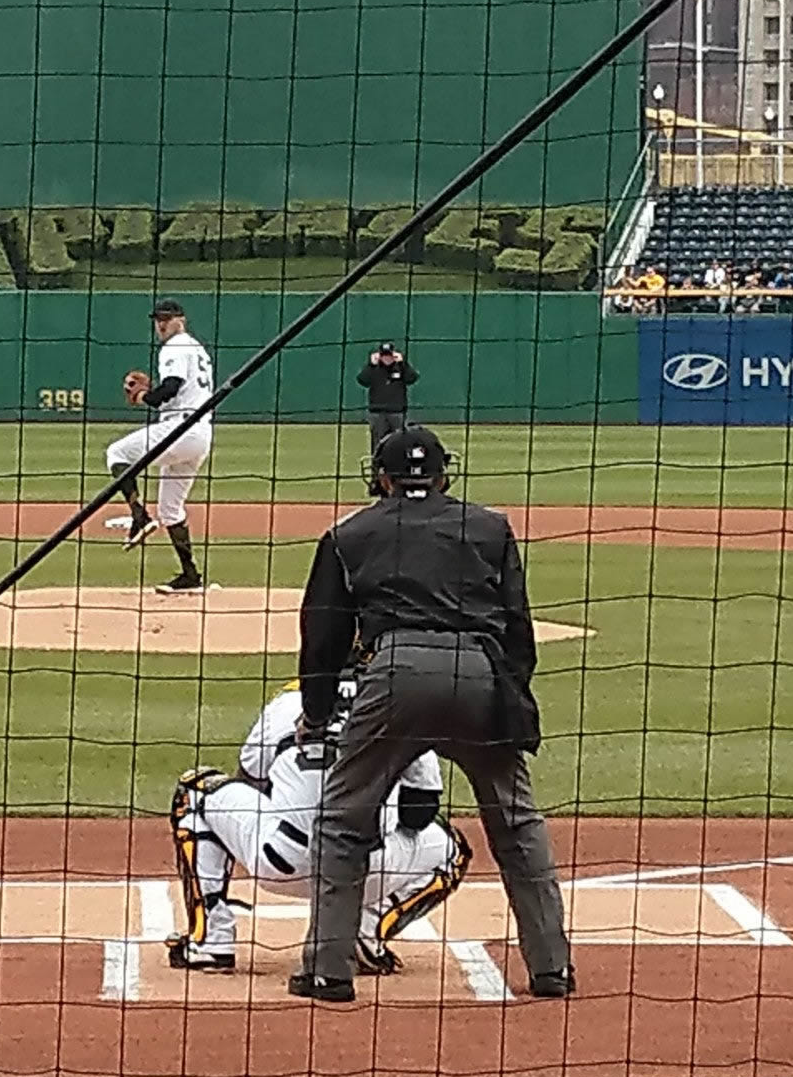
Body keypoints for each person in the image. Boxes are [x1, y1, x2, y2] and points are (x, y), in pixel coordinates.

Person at [290, 425, 573, 1004]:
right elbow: (518, 627)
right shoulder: (491, 527)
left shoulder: (349, 533)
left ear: (382, 479)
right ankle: (552, 970)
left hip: (394, 676)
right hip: (481, 674)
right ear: (445, 475)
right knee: (516, 824)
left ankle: (328, 972)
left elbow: (322, 639)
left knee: (345, 821)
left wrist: (316, 717)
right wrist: (511, 701)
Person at [166, 677, 470, 973]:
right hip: (366, 873)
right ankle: (366, 930)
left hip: (281, 864)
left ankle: (210, 941)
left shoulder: (290, 699)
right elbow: (418, 813)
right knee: (452, 849)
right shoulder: (403, 703)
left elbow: (250, 781)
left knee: (195, 791)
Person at [106, 299, 214, 594]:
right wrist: (153, 393)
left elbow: (171, 389)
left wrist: (144, 396)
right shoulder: (196, 348)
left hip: (179, 428)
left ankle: (139, 515)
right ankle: (191, 575)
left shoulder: (175, 346)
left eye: (167, 318)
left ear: (181, 319)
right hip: (200, 433)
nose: (161, 323)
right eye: (158, 319)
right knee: (171, 509)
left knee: (116, 453)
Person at [357, 342, 419, 469]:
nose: (387, 359)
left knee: (399, 443)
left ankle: (398, 471)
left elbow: (412, 378)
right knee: (378, 445)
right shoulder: (374, 369)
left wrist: (403, 363)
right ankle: (377, 475)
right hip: (377, 413)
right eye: (384, 356)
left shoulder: (400, 368)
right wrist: (370, 365)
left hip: (397, 413)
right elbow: (363, 380)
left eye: (389, 356)